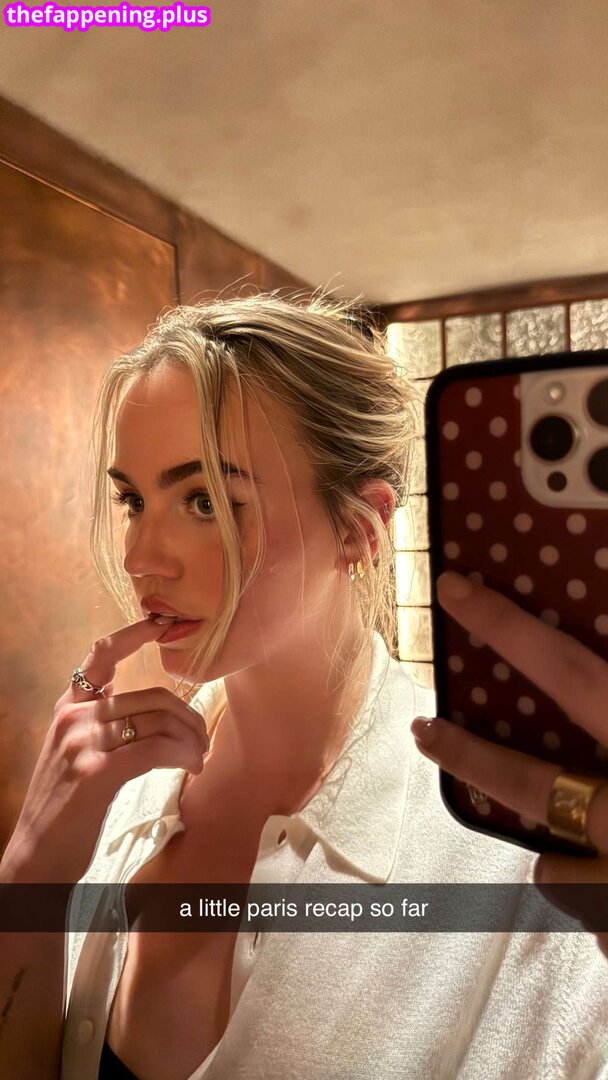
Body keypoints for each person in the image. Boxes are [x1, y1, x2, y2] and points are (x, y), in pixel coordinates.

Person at [1, 291, 608, 1080]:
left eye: (205, 501)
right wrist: (30, 876)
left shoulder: (511, 860)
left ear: (358, 528)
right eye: (133, 500)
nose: (141, 557)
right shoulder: (125, 798)